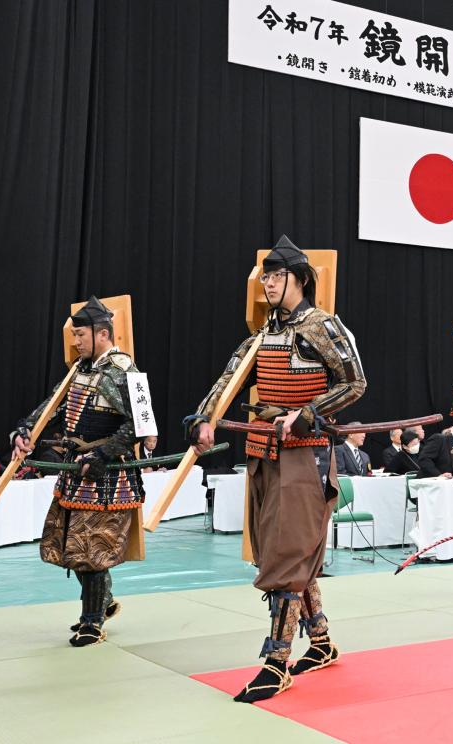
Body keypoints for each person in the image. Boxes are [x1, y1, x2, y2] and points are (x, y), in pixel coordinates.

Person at [187, 237, 366, 703]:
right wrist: (203, 416)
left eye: (275, 275)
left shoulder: (323, 326)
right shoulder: (263, 333)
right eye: (264, 276)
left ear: (299, 279)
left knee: (289, 552)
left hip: (305, 453)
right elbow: (230, 377)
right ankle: (322, 641)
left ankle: (276, 661)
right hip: (264, 450)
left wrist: (308, 411)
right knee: (276, 549)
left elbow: (355, 382)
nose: (267, 283)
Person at [10, 297, 147, 647]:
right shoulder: (79, 370)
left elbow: (141, 424)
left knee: (91, 545)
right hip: (76, 471)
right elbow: (50, 410)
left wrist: (104, 452)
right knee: (71, 542)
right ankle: (103, 601)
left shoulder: (124, 370)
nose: (75, 341)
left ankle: (92, 620)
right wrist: (25, 429)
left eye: (80, 334)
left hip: (108, 475)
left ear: (102, 334)